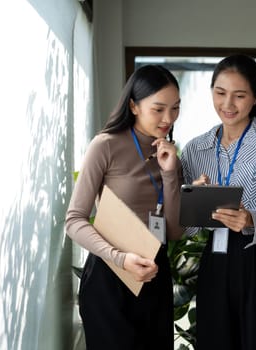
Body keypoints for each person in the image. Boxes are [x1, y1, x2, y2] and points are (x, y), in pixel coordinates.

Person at [180, 54, 256, 350]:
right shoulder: (195, 149)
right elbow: (186, 229)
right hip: (214, 261)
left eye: (239, 95)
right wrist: (191, 202)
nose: (228, 104)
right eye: (220, 93)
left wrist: (252, 219)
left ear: (255, 97)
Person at [65, 65, 183, 350]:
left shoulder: (169, 153)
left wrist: (170, 172)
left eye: (175, 108)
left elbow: (176, 231)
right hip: (110, 276)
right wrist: (119, 258)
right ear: (133, 105)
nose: (168, 118)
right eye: (158, 109)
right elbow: (74, 220)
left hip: (154, 274)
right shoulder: (105, 145)